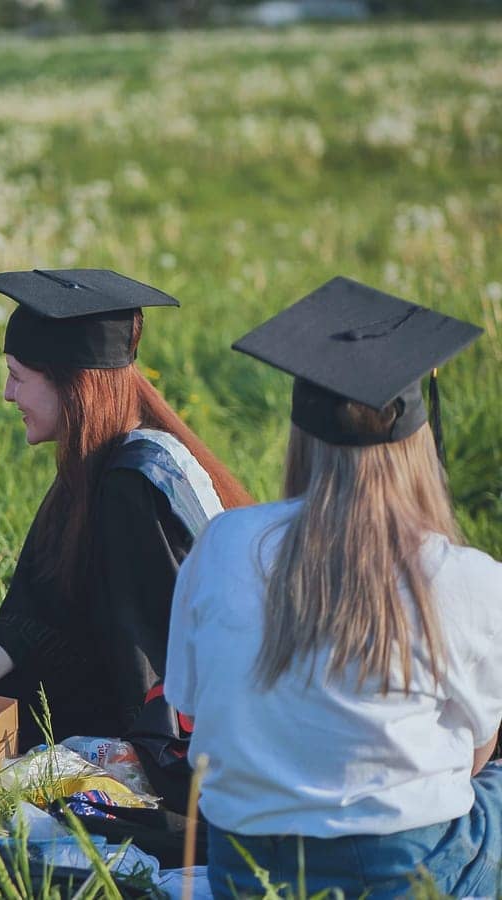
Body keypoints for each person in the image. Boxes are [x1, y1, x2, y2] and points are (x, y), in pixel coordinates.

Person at [165, 277, 500, 899]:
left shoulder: (222, 544)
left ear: (302, 436)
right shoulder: (466, 577)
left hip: (246, 869)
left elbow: (188, 710)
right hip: (407, 870)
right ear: (418, 444)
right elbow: (477, 754)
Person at [0, 269, 251, 753]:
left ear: (74, 386)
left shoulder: (137, 486)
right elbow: (45, 611)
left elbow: (153, 665)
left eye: (18, 377)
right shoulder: (91, 469)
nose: (7, 394)